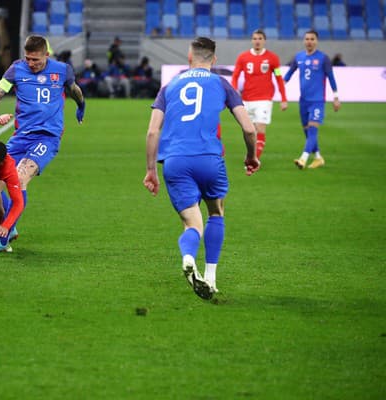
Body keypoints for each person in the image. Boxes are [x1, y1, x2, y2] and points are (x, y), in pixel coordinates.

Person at [143, 37, 259, 300]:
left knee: (191, 223)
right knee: (216, 212)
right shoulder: (221, 84)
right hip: (209, 158)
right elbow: (249, 128)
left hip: (175, 161)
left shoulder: (169, 86)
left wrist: (151, 170)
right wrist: (251, 156)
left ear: (189, 57)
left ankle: (187, 257)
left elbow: (152, 132)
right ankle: (211, 276)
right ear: (214, 60)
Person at [0, 34, 85, 253]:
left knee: (19, 176)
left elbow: (73, 89)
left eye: (36, 59)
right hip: (21, 137)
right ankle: (9, 224)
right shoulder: (17, 70)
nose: (31, 63)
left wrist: (81, 105)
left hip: (48, 137)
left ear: (46, 54)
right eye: (28, 58)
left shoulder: (62, 70)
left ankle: (2, 239)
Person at [284, 30, 340, 169]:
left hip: (317, 101)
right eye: (307, 39)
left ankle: (303, 158)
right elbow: (289, 74)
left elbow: (331, 78)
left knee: (313, 130)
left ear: (316, 41)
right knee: (307, 131)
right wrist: (277, 85)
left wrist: (336, 97)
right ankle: (318, 157)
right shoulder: (298, 57)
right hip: (303, 101)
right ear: (304, 41)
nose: (309, 41)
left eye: (312, 39)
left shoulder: (323, 58)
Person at [231, 29, 288, 162]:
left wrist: (284, 98)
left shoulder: (272, 58)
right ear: (252, 40)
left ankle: (254, 160)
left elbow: (279, 78)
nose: (257, 41)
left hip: (264, 99)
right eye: (255, 38)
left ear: (264, 41)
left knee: (260, 128)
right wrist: (234, 91)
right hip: (246, 99)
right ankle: (252, 155)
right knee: (249, 130)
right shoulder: (243, 57)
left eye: (260, 38)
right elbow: (235, 76)